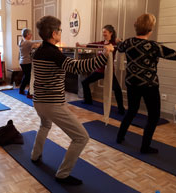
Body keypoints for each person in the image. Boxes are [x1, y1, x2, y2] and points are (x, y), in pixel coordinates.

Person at [31, 16, 114, 185]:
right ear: (54, 34)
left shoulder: (39, 50)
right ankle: (63, 174)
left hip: (38, 101)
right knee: (81, 137)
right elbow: (79, 68)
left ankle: (35, 155)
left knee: (45, 125)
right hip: (51, 104)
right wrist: (104, 56)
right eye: (60, 31)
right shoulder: (53, 52)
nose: (61, 33)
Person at [116, 13, 176, 154]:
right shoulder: (154, 46)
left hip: (131, 83)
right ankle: (145, 147)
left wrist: (119, 41)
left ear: (136, 27)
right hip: (149, 85)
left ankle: (119, 137)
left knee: (131, 111)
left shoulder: (128, 42)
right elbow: (174, 55)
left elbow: (119, 47)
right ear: (151, 29)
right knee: (154, 116)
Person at [79, 25, 125, 115]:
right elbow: (90, 45)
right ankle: (88, 101)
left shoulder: (114, 44)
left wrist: (119, 41)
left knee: (117, 89)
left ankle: (121, 109)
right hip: (99, 71)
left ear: (110, 33)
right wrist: (80, 45)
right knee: (85, 82)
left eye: (105, 32)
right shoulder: (100, 43)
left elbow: (123, 47)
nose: (103, 34)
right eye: (103, 32)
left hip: (109, 72)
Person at [18, 28, 40, 98]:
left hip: (22, 62)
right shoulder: (27, 42)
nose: (31, 36)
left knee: (26, 76)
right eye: (30, 34)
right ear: (27, 35)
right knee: (31, 78)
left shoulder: (21, 42)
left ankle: (21, 90)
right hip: (27, 62)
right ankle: (29, 93)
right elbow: (38, 45)